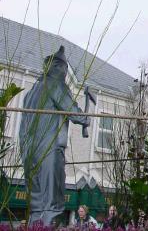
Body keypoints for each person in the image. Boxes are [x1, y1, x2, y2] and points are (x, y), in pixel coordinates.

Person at [19, 46, 90, 225]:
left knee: (36, 204)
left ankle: (36, 227)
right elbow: (75, 113)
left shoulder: (31, 92)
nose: (65, 74)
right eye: (65, 70)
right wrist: (86, 118)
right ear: (59, 68)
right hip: (49, 152)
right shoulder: (55, 84)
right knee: (52, 202)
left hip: (28, 153)